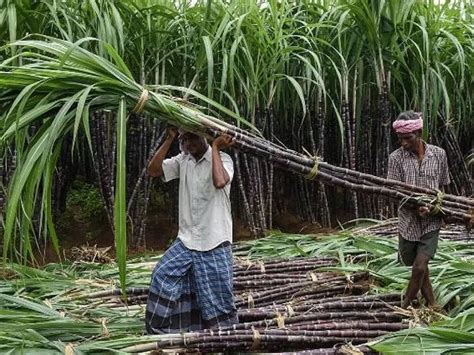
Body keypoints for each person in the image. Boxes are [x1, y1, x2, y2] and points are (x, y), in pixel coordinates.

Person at [145, 127, 237, 333]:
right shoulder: (182, 160)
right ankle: (164, 334)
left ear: (204, 135)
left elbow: (220, 181)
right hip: (186, 241)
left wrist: (214, 146)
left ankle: (224, 339)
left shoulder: (223, 159)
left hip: (214, 241)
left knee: (218, 298)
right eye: (184, 140)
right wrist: (169, 138)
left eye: (192, 137)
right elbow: (153, 171)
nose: (188, 144)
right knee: (162, 275)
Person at [387, 110, 450, 309]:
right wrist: (416, 207)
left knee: (420, 266)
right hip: (408, 223)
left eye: (408, 138)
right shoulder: (396, 158)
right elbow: (394, 192)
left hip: (431, 222)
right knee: (418, 267)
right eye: (400, 138)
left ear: (420, 132)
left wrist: (438, 209)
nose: (404, 143)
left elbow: (444, 186)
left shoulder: (439, 154)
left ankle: (404, 305)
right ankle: (432, 304)